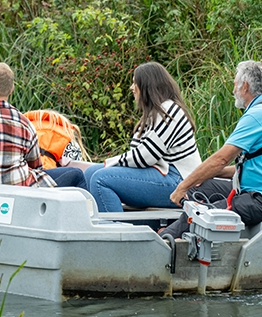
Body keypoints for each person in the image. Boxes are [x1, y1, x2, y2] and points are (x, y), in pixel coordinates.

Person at [161, 60, 262, 239]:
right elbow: (252, 167)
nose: (233, 90)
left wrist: (182, 186)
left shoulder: (259, 114)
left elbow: (221, 158)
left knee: (204, 213)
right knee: (202, 187)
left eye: (235, 84)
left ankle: (161, 243)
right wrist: (204, 176)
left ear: (245, 86)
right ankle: (177, 234)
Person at [83, 62, 201, 212]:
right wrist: (112, 164)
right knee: (90, 173)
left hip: (180, 181)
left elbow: (145, 157)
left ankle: (116, 231)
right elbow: (137, 155)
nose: (132, 88)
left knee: (101, 179)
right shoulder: (153, 115)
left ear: (147, 86)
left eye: (135, 83)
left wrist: (111, 162)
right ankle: (104, 223)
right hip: (162, 173)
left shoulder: (170, 110)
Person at [0, 62, 83, 188]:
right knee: (76, 174)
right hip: (19, 190)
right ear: (11, 89)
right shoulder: (24, 123)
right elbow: (36, 166)